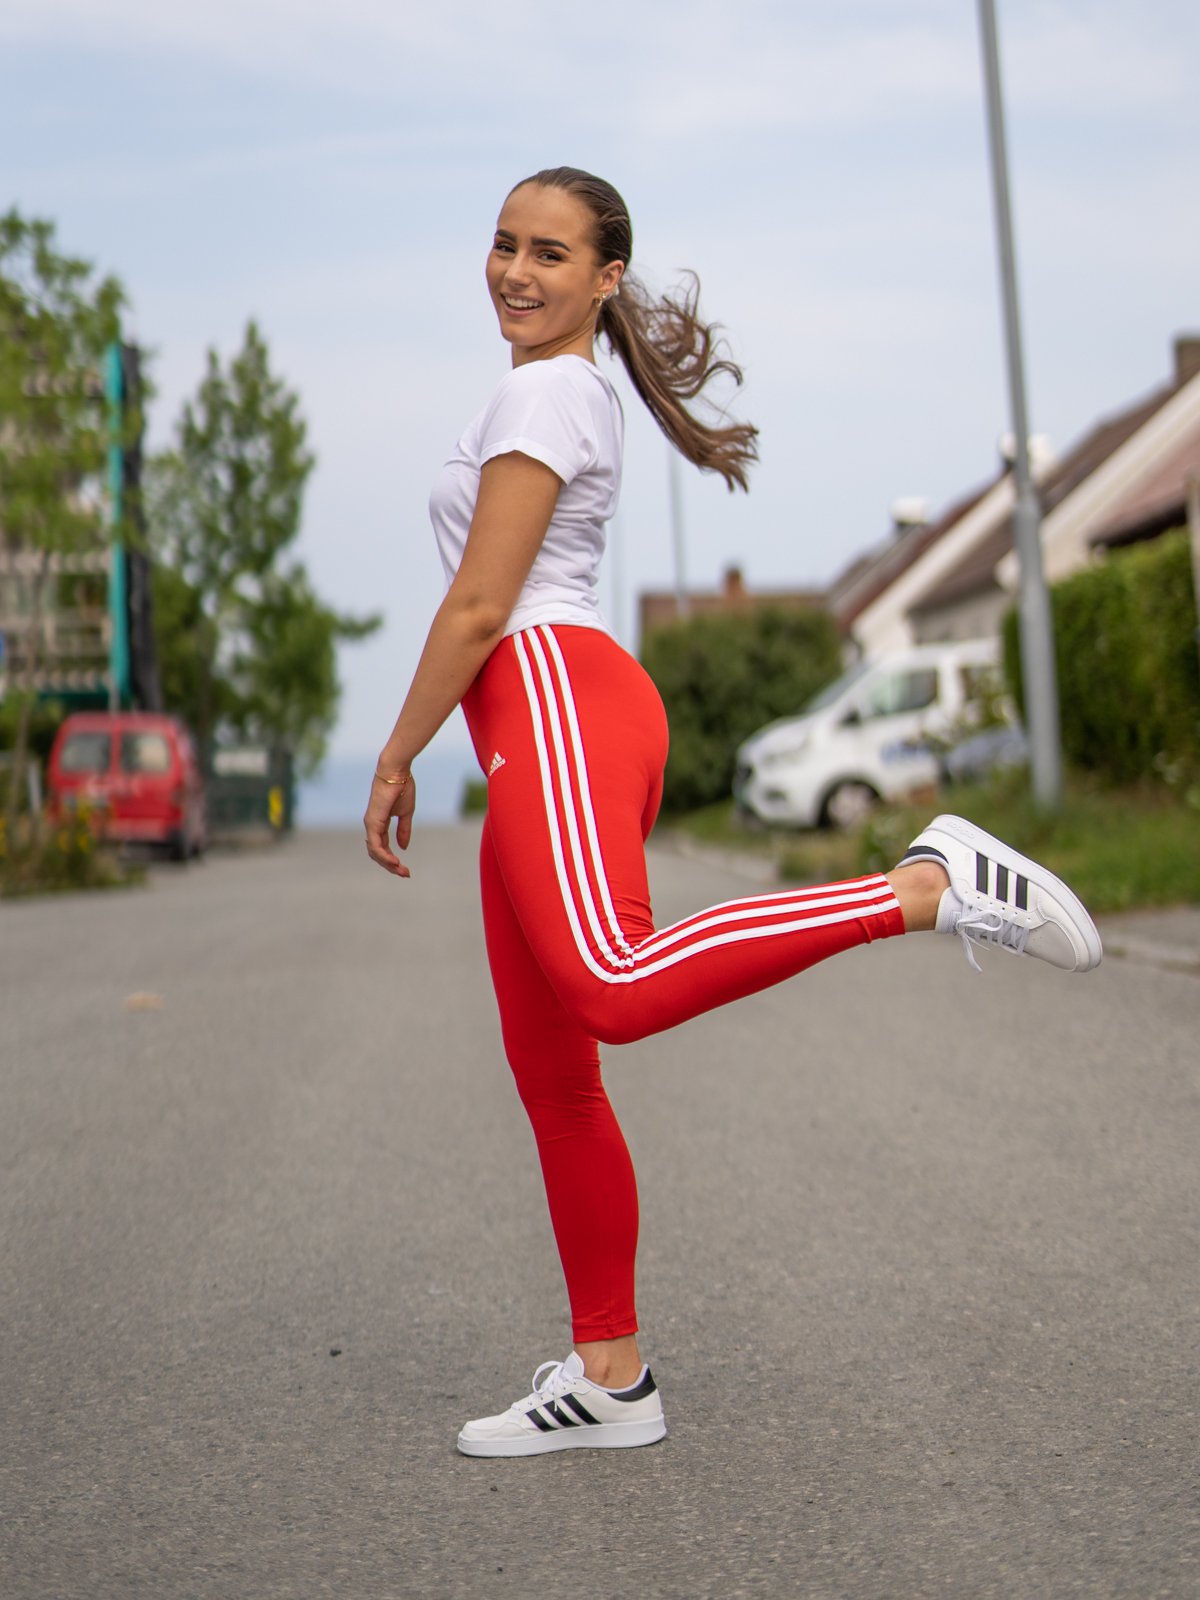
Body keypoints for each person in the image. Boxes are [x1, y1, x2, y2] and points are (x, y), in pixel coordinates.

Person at [363, 166, 1102, 1459]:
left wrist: (394, 753)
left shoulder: (544, 388)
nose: (514, 272)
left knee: (611, 984)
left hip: (552, 703)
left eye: (549, 254)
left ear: (603, 279)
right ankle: (610, 1378)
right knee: (555, 1074)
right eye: (501, 245)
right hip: (548, 715)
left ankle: (921, 887)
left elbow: (483, 606)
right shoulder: (551, 385)